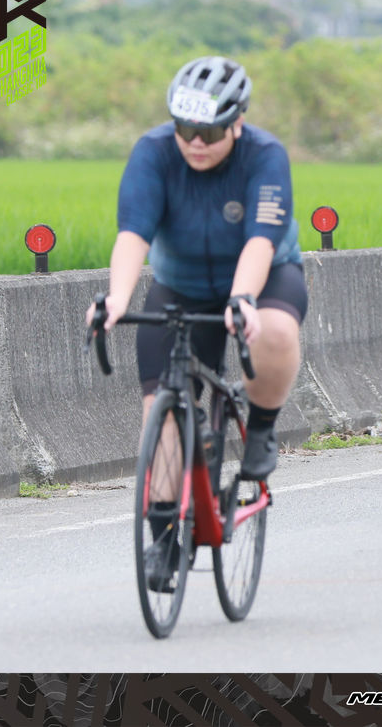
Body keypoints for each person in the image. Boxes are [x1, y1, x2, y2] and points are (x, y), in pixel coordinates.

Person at [87, 55, 306, 591]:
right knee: (161, 413)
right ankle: (164, 540)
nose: (195, 143)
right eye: (185, 130)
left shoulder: (265, 155)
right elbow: (133, 234)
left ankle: (261, 429)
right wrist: (116, 299)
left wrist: (242, 298)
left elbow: (261, 240)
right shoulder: (154, 151)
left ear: (237, 122)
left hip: (262, 277)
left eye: (208, 132)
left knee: (275, 330)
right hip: (180, 285)